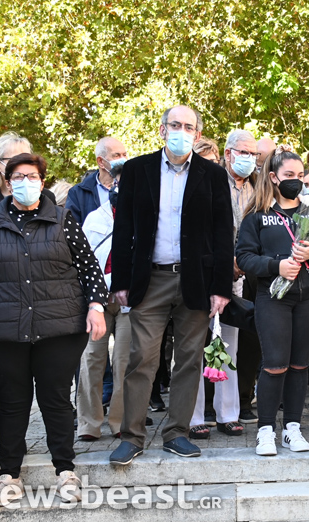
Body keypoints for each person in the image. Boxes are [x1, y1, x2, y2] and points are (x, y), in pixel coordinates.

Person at [0, 152, 108, 507]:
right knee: (12, 401)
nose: (26, 182)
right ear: (8, 182)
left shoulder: (62, 219)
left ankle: (65, 471)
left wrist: (96, 307)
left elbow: (90, 270)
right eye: (18, 177)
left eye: (33, 176)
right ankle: (8, 475)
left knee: (55, 399)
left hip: (59, 327)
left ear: (43, 180)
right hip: (3, 330)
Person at [109, 105, 234, 464]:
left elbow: (224, 233)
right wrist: (121, 280)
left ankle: (177, 433)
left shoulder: (212, 174)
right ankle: (132, 437)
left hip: (197, 280)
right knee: (141, 359)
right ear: (162, 130)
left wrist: (221, 288)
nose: (181, 131)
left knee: (189, 362)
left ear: (197, 134)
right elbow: (125, 229)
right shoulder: (136, 169)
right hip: (150, 279)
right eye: (175, 124)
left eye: (188, 126)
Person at [236, 145, 309, 456]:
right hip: (272, 298)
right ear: (273, 177)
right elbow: (244, 257)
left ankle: (292, 427)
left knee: (299, 364)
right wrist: (275, 266)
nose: (296, 180)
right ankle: (266, 429)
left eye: (299, 174)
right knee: (275, 364)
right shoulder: (257, 216)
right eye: (288, 175)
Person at [189, 128, 259, 439]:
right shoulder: (209, 181)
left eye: (253, 154)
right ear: (228, 154)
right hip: (203, 274)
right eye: (243, 152)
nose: (248, 159)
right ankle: (191, 416)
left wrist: (240, 264)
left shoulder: (257, 189)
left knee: (228, 344)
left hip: (238, 276)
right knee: (191, 345)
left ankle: (227, 414)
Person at [77, 171, 131, 441]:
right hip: (98, 300)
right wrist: (90, 299)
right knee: (92, 358)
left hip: (130, 302)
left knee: (125, 361)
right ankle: (88, 424)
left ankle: (121, 421)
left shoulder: (143, 218)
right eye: (117, 183)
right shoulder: (94, 219)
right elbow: (83, 262)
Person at [67, 137, 128, 225]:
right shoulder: (78, 193)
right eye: (117, 155)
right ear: (101, 162)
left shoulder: (134, 187)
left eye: (125, 155)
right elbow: (73, 228)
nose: (123, 160)